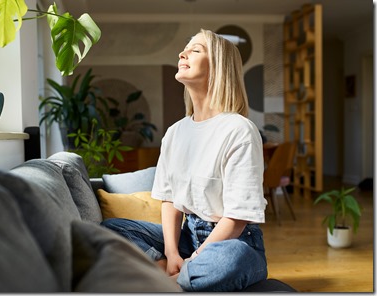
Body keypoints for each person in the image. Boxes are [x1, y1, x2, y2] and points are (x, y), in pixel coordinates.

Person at [101, 28, 268, 292]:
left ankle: (162, 282)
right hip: (186, 236)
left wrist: (197, 258)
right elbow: (170, 200)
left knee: (232, 259)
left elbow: (237, 218)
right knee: (110, 228)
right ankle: (171, 276)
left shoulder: (240, 130)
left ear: (218, 67)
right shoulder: (175, 132)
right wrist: (171, 254)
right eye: (185, 48)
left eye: (195, 49)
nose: (182, 53)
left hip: (233, 240)